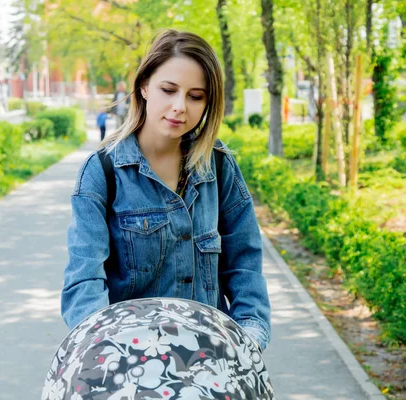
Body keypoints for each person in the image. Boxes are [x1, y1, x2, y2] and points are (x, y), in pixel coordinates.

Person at [61, 29, 271, 354]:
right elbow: (84, 278)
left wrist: (249, 336)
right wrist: (107, 349)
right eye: (168, 90)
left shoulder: (218, 166)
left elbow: (244, 263)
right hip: (129, 365)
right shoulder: (103, 171)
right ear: (144, 86)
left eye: (195, 96)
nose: (179, 107)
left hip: (211, 363)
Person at [43, 298, 275, 399]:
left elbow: (245, 271)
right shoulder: (100, 194)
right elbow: (84, 283)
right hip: (124, 365)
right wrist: (100, 345)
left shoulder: (225, 194)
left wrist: (247, 341)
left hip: (209, 359)